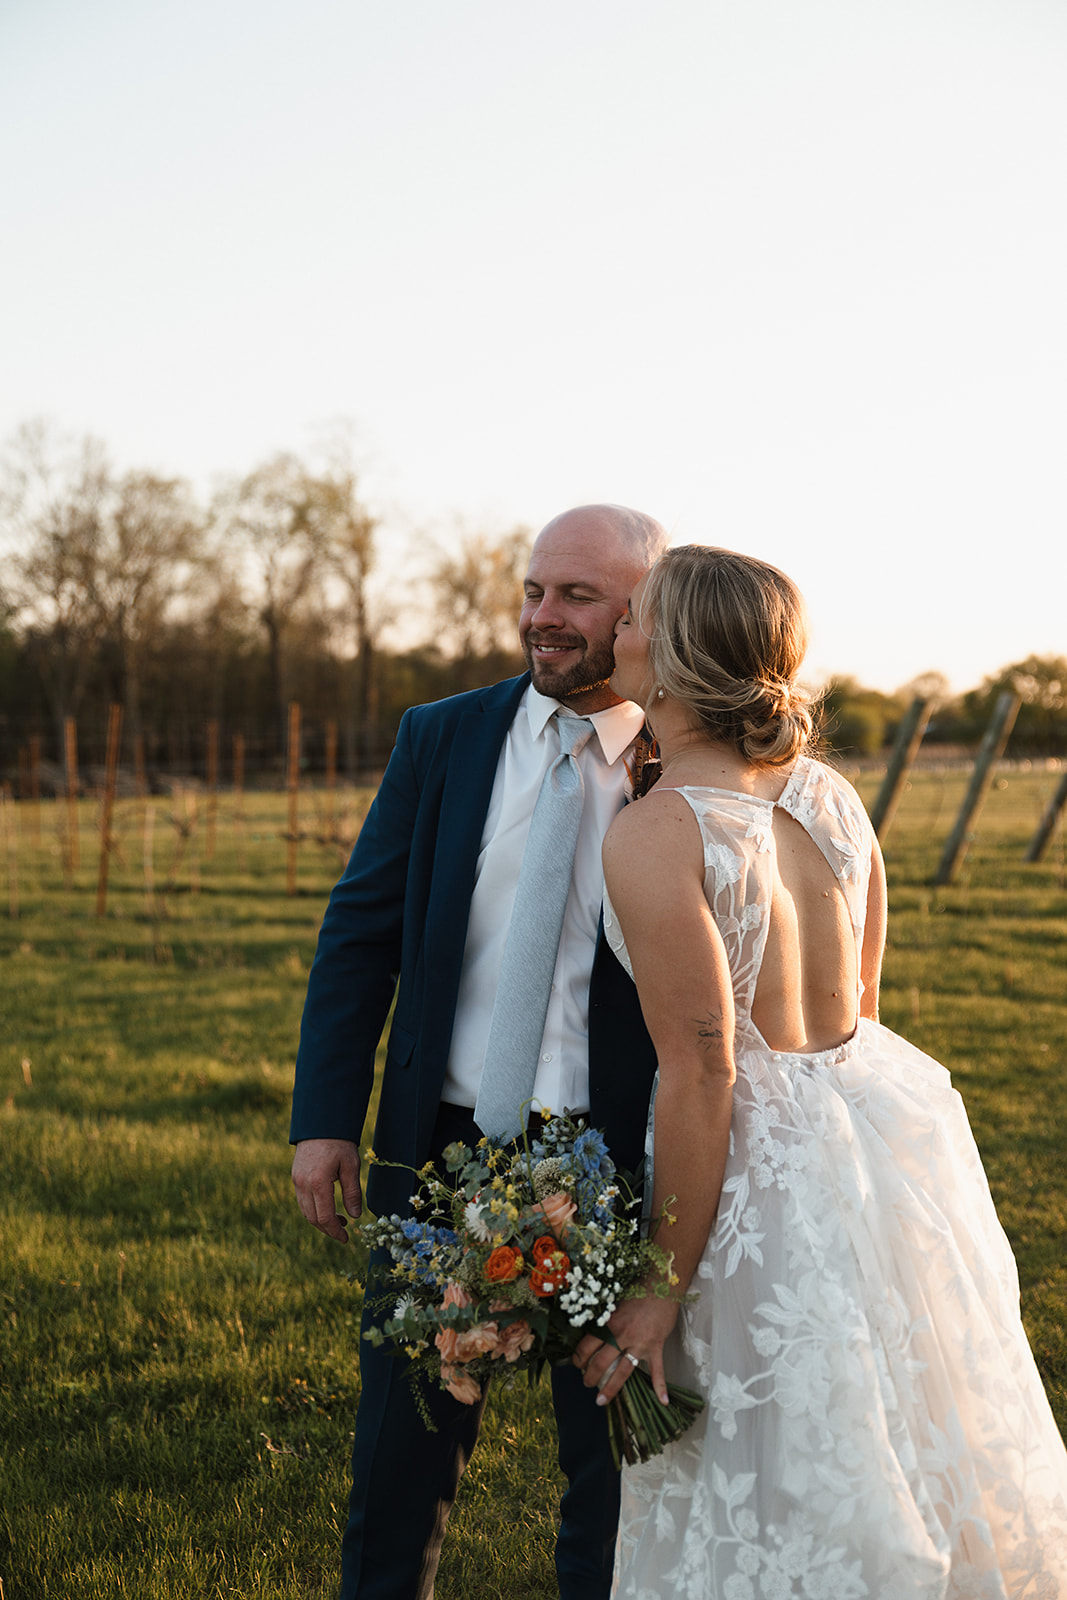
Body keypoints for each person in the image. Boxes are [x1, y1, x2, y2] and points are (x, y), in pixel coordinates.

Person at [574, 545, 1067, 1597]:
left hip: (755, 1177)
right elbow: (863, 1006)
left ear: (672, 660)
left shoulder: (657, 831)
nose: (615, 623)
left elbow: (703, 1069)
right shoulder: (831, 799)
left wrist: (657, 1289)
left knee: (764, 1468)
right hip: (875, 1146)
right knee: (907, 1422)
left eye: (636, 615)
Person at [290, 503, 669, 1600]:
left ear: (640, 615)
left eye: (577, 598)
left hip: (614, 1159)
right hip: (439, 1148)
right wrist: (324, 1116)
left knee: (612, 1472)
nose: (541, 619)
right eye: (534, 591)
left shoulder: (678, 755)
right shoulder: (440, 735)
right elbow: (359, 931)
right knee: (399, 1460)